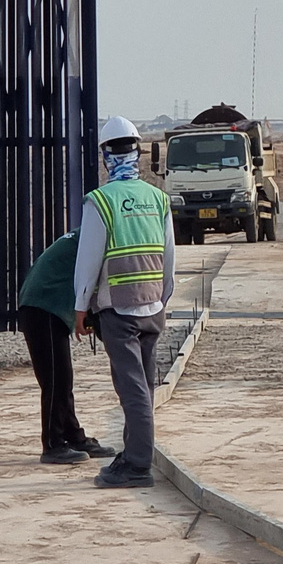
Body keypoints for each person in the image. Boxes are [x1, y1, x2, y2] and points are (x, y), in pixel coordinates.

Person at [74, 116, 177, 489]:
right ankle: (133, 454)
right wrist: (162, 299)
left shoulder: (99, 202)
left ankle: (136, 464)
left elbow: (88, 261)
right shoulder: (158, 198)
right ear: (138, 151)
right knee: (144, 387)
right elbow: (169, 261)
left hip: (118, 308)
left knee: (132, 388)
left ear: (105, 156)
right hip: (153, 307)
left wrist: (81, 306)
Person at [18, 230, 118, 464]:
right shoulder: (95, 243)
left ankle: (73, 435)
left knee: (63, 379)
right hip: (43, 307)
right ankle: (53, 444)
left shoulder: (84, 238)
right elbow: (97, 285)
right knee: (56, 380)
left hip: (45, 305)